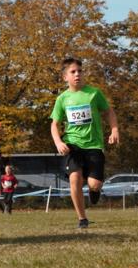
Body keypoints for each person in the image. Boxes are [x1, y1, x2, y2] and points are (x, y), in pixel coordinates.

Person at [50, 57, 120, 228]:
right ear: (65, 77)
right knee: (75, 178)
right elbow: (54, 124)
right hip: (72, 144)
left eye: (80, 71)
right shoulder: (62, 99)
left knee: (94, 184)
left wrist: (114, 130)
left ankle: (94, 190)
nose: (77, 74)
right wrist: (58, 142)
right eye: (73, 72)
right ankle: (82, 219)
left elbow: (109, 112)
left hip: (94, 145)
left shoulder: (94, 93)